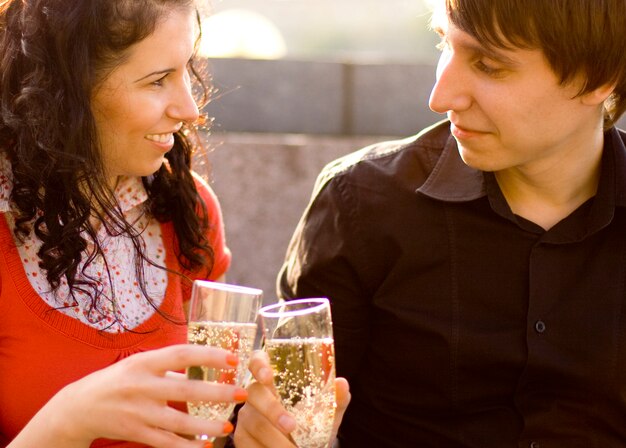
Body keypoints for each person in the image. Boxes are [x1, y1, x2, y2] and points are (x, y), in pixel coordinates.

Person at [234, 0, 626, 447]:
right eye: (444, 43)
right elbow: (290, 415)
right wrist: (263, 431)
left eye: (489, 64)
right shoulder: (362, 204)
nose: (440, 97)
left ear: (597, 77)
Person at [0, 0, 247, 446]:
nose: (190, 108)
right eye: (158, 80)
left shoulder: (189, 210)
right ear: (66, 90)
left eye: (186, 69)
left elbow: (211, 425)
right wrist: (68, 421)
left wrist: (253, 437)